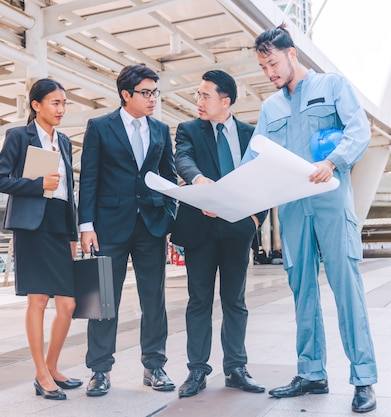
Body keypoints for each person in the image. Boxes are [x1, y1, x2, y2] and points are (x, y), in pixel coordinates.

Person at [248, 24, 378, 413]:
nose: (269, 73)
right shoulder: (269, 108)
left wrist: (333, 161)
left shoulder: (333, 86)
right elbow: (253, 159)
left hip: (330, 200)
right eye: (262, 67)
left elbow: (360, 131)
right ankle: (311, 373)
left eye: (273, 63)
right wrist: (229, 197)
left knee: (346, 287)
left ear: (292, 55)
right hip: (291, 208)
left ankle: (364, 379)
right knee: (301, 288)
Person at [78, 64, 178, 397]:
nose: (152, 99)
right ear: (126, 94)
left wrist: (167, 219)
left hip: (151, 226)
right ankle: (100, 370)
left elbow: (168, 179)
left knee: (154, 299)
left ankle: (154, 365)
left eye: (155, 92)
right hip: (108, 226)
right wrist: (86, 225)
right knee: (102, 299)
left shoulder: (161, 130)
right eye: (145, 93)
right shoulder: (99, 127)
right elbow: (89, 178)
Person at [170, 70, 268, 398]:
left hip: (238, 227)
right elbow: (182, 159)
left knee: (235, 302)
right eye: (198, 95)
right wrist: (199, 182)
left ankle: (236, 368)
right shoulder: (189, 130)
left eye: (205, 95)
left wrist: (255, 219)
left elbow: (262, 179)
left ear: (225, 101)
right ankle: (197, 371)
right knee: (199, 301)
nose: (198, 101)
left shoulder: (251, 134)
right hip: (200, 227)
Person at [0, 78, 81, 400]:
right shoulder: (19, 136)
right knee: (39, 301)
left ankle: (53, 366)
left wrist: (74, 232)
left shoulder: (65, 141)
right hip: (32, 227)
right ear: (36, 105)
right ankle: (41, 373)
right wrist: (38, 183)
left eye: (64, 103)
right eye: (55, 103)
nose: (61, 109)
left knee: (68, 304)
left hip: (59, 224)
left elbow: (69, 191)